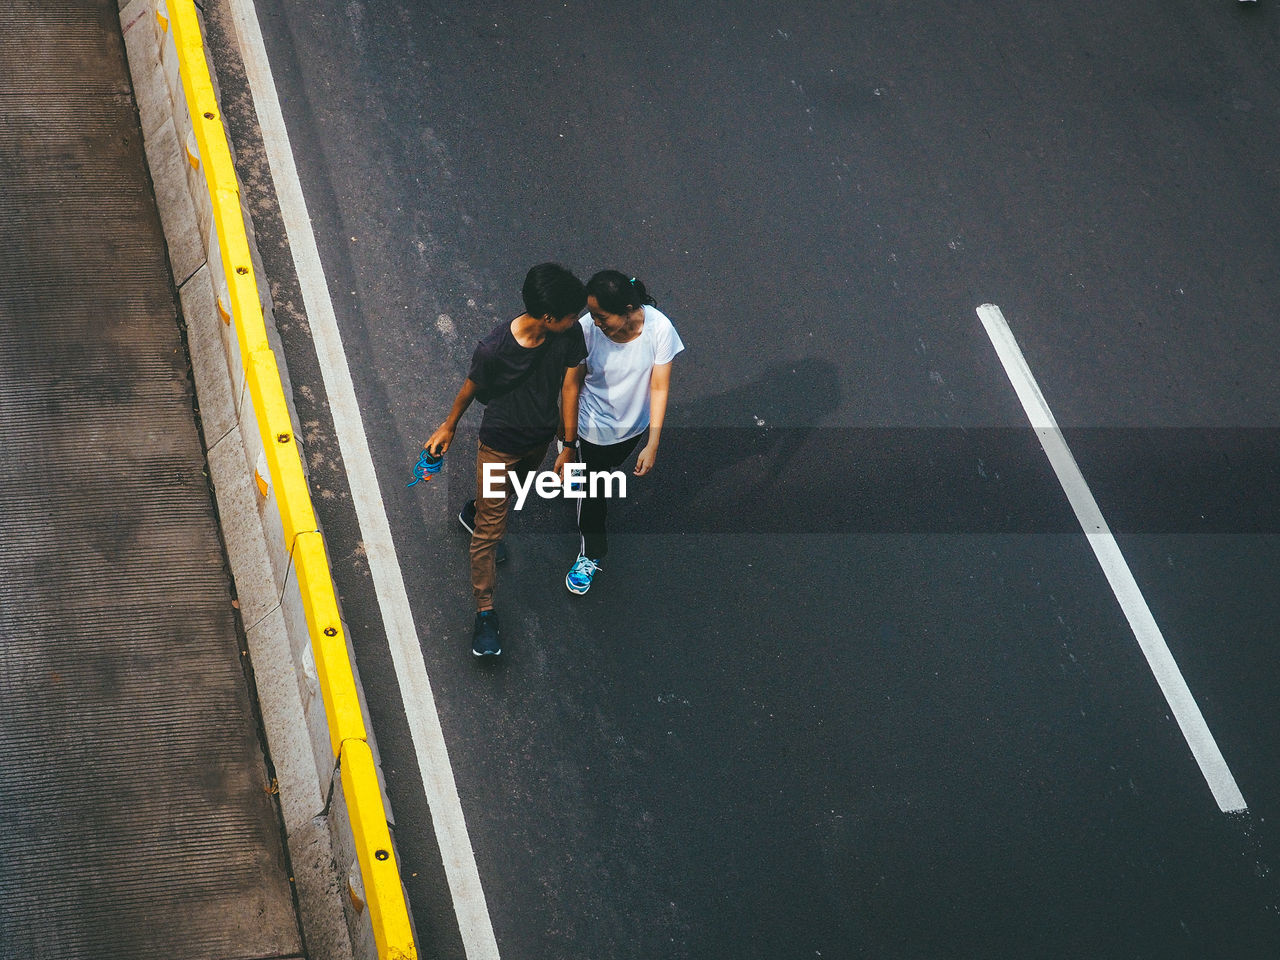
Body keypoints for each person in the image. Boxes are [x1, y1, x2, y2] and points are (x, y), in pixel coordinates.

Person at [423, 263, 587, 656]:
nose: (577, 320)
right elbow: (471, 387)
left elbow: (570, 385)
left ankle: (474, 511)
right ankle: (484, 614)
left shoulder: (569, 335)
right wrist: (448, 427)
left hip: (539, 441)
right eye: (570, 315)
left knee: (510, 495)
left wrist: (567, 447)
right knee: (490, 535)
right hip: (498, 445)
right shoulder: (495, 348)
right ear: (548, 318)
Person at [563, 271, 684, 595]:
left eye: (602, 316)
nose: (595, 321)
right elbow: (571, 386)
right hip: (591, 428)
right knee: (592, 493)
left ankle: (577, 476)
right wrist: (569, 442)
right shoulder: (587, 332)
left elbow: (659, 385)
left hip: (631, 430)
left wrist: (652, 442)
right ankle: (591, 552)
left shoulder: (659, 329)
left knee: (599, 474)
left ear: (629, 308)